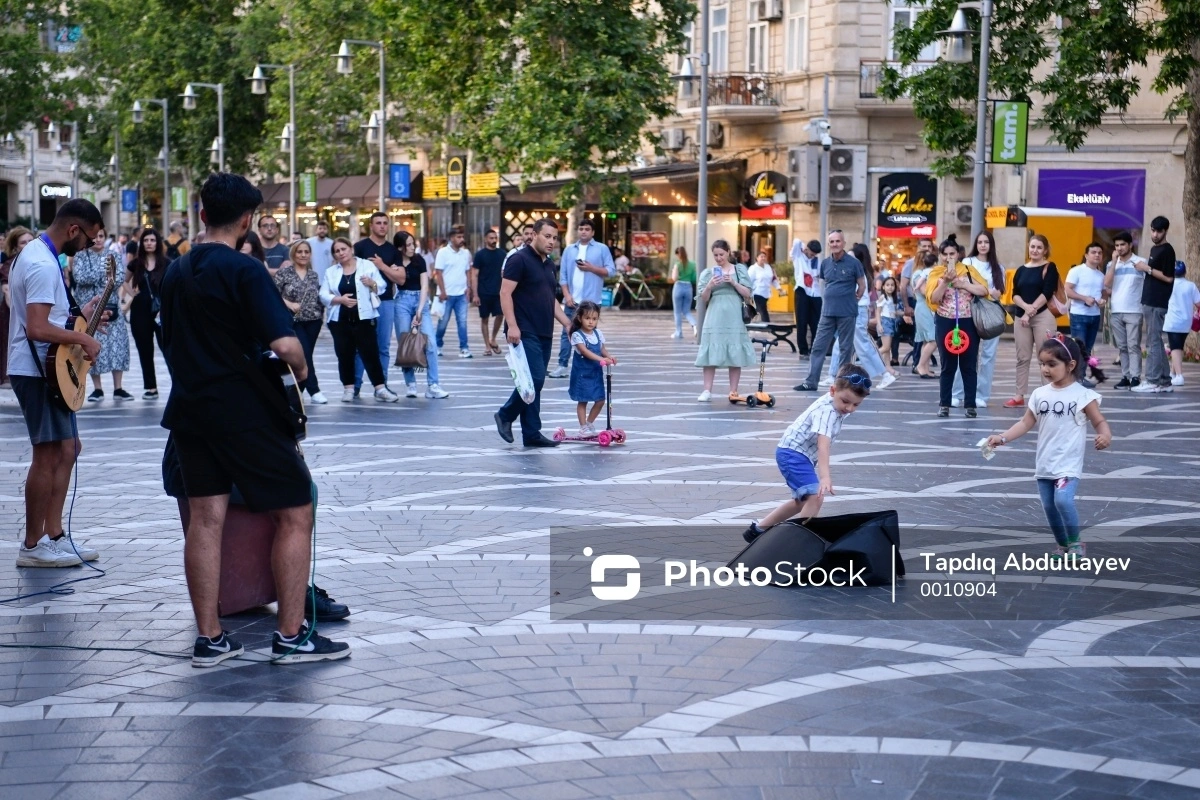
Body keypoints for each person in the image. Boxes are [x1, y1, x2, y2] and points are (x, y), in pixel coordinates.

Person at [159, 172, 349, 666]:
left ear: (202, 214)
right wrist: (303, 368)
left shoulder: (175, 272)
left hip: (190, 411)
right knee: (295, 511)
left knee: (205, 520)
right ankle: (290, 635)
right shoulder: (246, 272)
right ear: (247, 221)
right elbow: (285, 344)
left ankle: (211, 638)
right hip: (244, 412)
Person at [9, 201, 107, 568]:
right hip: (36, 370)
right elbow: (36, 327)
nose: (86, 246)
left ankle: (54, 535)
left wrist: (81, 319)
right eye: (89, 238)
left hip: (44, 367)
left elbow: (48, 317)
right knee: (48, 454)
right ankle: (33, 545)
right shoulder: (40, 262)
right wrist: (84, 340)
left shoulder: (40, 256)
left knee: (68, 448)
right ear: (73, 230)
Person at [986, 335, 1111, 558]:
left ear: (1071, 365)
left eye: (1052, 364)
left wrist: (1105, 434)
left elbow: (1098, 420)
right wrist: (1002, 437)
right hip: (1044, 463)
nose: (1045, 369)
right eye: (1042, 363)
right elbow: (1025, 422)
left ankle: (1076, 545)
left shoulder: (1082, 395)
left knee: (1062, 499)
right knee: (1049, 507)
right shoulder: (1039, 394)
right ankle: (1063, 546)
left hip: (1068, 464)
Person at [742, 364, 871, 543]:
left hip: (797, 454)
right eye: (846, 402)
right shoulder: (826, 412)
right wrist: (825, 478)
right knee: (815, 497)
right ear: (832, 390)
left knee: (804, 501)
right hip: (793, 454)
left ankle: (758, 530)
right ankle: (794, 542)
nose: (849, 408)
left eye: (856, 404)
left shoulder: (837, 399)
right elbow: (823, 446)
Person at [493, 218, 572, 447]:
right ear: (534, 234)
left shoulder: (548, 264)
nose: (551, 242)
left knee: (534, 383)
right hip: (524, 330)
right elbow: (505, 293)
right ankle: (505, 415)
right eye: (547, 236)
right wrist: (513, 325)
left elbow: (551, 299)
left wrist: (567, 324)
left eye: (555, 238)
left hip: (544, 330)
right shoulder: (518, 259)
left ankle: (531, 433)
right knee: (535, 379)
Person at [320, 238, 398, 403]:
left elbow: (382, 286)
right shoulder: (331, 271)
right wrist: (339, 299)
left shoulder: (366, 266)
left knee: (370, 353)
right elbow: (323, 294)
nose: (341, 253)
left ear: (351, 249)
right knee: (344, 354)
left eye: (344, 249)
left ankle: (380, 388)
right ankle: (348, 388)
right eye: (337, 251)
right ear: (334, 255)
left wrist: (372, 283)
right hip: (339, 319)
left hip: (364, 317)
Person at [793, 231, 866, 392]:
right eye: (831, 242)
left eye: (837, 241)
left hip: (847, 313)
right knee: (818, 347)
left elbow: (862, 285)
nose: (834, 244)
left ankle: (841, 384)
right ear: (829, 244)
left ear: (844, 243)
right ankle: (811, 382)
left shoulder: (854, 263)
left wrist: (854, 300)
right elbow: (822, 284)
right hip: (827, 313)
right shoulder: (825, 263)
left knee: (845, 349)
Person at [925, 235, 989, 417]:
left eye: (952, 253)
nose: (948, 257)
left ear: (958, 254)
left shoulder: (968, 271)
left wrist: (963, 284)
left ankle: (970, 405)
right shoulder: (936, 273)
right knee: (947, 365)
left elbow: (984, 291)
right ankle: (944, 404)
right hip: (945, 320)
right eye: (944, 254)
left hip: (968, 321)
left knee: (969, 364)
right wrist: (945, 282)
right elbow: (933, 299)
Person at [72, 228, 133, 402]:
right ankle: (97, 388)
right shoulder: (81, 255)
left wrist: (109, 277)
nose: (98, 240)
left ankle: (118, 387)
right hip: (89, 309)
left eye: (101, 236)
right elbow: (80, 277)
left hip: (110, 306)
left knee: (118, 346)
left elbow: (119, 278)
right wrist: (103, 273)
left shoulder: (112, 254)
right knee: (92, 344)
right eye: (95, 236)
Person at [694, 240, 756, 401]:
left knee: (735, 352)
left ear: (728, 252)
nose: (719, 258)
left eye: (721, 254)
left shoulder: (739, 270)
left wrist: (733, 282)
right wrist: (710, 285)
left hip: (734, 314)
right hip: (714, 314)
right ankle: (707, 390)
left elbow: (748, 293)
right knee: (710, 352)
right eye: (715, 255)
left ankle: (733, 391)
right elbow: (704, 298)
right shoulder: (708, 273)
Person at [551, 218, 615, 377]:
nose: (583, 232)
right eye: (581, 229)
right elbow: (563, 275)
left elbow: (611, 271)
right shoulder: (569, 250)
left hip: (592, 301)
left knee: (591, 333)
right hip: (572, 300)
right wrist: (566, 295)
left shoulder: (601, 249)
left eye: (587, 229)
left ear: (592, 232)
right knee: (568, 332)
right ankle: (562, 365)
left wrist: (591, 268)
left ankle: (592, 363)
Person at [827, 243, 896, 389]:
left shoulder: (857, 273)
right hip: (849, 311)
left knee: (863, 344)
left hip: (857, 311)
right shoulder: (854, 271)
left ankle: (885, 374)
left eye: (850, 256)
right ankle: (833, 375)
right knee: (841, 344)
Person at [391, 230, 448, 399]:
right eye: (408, 245)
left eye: (412, 243)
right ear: (400, 247)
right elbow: (393, 283)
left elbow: (425, 286)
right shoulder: (395, 261)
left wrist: (420, 309)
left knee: (430, 343)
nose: (411, 247)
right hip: (401, 301)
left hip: (420, 301)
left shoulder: (419, 260)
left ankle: (433, 385)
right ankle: (411, 384)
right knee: (405, 342)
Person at [1005, 234, 1060, 408]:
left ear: (1045, 250)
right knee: (1022, 357)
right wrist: (1025, 309)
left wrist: (1031, 311)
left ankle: (1048, 394)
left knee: (1046, 357)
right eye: (1032, 246)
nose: (1034, 250)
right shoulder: (1021, 269)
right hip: (1021, 316)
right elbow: (1014, 293)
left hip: (1043, 315)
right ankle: (1019, 395)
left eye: (1038, 247)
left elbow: (1047, 292)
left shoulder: (1049, 267)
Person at [953, 231, 1006, 407]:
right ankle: (958, 393)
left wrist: (980, 289)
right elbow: (961, 286)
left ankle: (982, 395)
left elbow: (998, 292)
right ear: (975, 244)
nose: (983, 245)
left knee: (988, 356)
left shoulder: (998, 267)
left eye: (986, 242)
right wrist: (983, 289)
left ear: (991, 245)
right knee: (965, 353)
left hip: (990, 314)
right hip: (968, 312)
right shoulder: (967, 262)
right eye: (980, 242)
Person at [274, 240, 327, 404]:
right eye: (300, 252)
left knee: (307, 355)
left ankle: (299, 390)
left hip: (314, 320)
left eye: (306, 252)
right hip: (293, 320)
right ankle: (314, 390)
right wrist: (289, 304)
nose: (303, 255)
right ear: (293, 254)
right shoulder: (284, 273)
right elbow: (273, 295)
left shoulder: (313, 275)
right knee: (303, 354)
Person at [354, 211, 400, 392]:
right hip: (362, 302)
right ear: (371, 226)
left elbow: (399, 278)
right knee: (360, 346)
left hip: (386, 300)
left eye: (385, 223)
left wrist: (383, 266)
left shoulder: (393, 251)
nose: (382, 226)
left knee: (383, 346)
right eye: (378, 223)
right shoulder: (359, 247)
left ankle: (382, 386)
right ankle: (356, 385)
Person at [1133, 216, 1177, 393]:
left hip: (1157, 301)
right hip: (1149, 299)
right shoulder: (1154, 248)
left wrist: (1147, 268)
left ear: (1165, 231)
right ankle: (1165, 381)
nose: (1155, 234)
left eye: (1158, 231)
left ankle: (1152, 380)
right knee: (1155, 340)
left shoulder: (1167, 250)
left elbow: (1168, 277)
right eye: (1152, 230)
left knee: (1153, 342)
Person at [125, 227, 169, 399]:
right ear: (141, 243)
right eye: (146, 240)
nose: (149, 243)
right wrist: (132, 293)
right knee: (145, 349)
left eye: (152, 240)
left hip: (161, 312)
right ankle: (150, 387)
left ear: (157, 243)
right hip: (140, 310)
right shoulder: (136, 263)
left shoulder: (167, 263)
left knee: (167, 347)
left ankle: (177, 382)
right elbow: (124, 280)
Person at [1103, 230, 1146, 389]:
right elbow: (1107, 284)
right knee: (1122, 347)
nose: (1119, 248)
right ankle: (1125, 376)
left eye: (1122, 245)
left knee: (1133, 345)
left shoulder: (1140, 262)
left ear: (1130, 245)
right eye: (1117, 245)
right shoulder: (1111, 264)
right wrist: (1114, 262)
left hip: (1134, 310)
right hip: (1116, 310)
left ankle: (1135, 377)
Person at [568, 301, 616, 437]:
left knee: (600, 400)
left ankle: (589, 423)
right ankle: (583, 427)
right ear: (580, 318)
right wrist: (601, 359)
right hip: (582, 374)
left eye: (594, 319)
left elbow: (602, 349)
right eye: (587, 318)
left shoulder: (597, 334)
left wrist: (610, 357)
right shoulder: (577, 335)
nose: (591, 322)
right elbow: (585, 352)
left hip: (595, 373)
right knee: (582, 400)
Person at [1064, 242, 1108, 388]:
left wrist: (1102, 301)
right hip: (1079, 314)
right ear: (1086, 255)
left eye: (1099, 253)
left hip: (1094, 315)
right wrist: (1084, 298)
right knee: (1078, 348)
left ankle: (1080, 377)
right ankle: (1075, 378)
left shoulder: (1101, 275)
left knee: (1087, 349)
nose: (1097, 255)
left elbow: (1103, 293)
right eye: (1093, 252)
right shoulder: (1077, 271)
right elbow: (1068, 290)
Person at [434, 224, 474, 359]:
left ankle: (464, 348)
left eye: (462, 236)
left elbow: (468, 271)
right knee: (443, 322)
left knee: (462, 322)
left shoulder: (466, 253)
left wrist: (469, 288)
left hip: (461, 294)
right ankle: (437, 345)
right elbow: (438, 273)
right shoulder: (443, 252)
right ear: (451, 238)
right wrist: (443, 292)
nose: (461, 239)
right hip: (446, 295)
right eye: (458, 237)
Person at [1, 226, 35, 386]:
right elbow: (7, 289)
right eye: (23, 242)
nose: (28, 245)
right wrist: (20, 314)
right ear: (16, 246)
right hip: (14, 311)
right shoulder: (11, 263)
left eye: (30, 241)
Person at [1164, 261, 1200, 387]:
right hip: (1186, 321)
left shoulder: (1167, 284)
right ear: (1185, 272)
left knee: (1175, 348)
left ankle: (1179, 375)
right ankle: (1173, 373)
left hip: (1172, 320)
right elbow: (1198, 303)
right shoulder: (1191, 286)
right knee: (1178, 346)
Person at [471, 228, 506, 355]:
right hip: (484, 292)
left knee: (500, 315)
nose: (493, 240)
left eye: (495, 238)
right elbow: (474, 275)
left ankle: (493, 339)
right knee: (484, 319)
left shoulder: (502, 254)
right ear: (486, 239)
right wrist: (475, 294)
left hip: (498, 292)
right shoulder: (480, 255)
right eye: (491, 238)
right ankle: (487, 346)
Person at [792, 239, 823, 357]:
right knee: (802, 322)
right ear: (807, 249)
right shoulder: (798, 257)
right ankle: (803, 349)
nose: (813, 255)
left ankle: (814, 348)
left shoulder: (817, 261)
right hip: (802, 290)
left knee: (816, 323)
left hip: (815, 292)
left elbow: (820, 275)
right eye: (811, 253)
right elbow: (796, 242)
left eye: (815, 254)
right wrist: (804, 246)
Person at [669, 246, 698, 339]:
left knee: (677, 312)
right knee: (686, 311)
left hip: (678, 287)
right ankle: (695, 325)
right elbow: (694, 278)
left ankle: (679, 332)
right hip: (688, 287)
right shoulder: (693, 264)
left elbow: (674, 278)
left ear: (678, 254)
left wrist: (674, 270)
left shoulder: (677, 264)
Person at [876, 276, 902, 370]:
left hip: (892, 322)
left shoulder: (892, 298)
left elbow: (894, 312)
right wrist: (879, 324)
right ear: (883, 287)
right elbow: (878, 312)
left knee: (887, 348)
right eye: (887, 285)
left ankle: (888, 367)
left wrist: (905, 314)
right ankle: (870, 358)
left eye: (892, 285)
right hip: (885, 322)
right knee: (886, 347)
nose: (890, 287)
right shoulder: (883, 297)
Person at [747, 251, 779, 323]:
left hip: (766, 293)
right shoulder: (753, 268)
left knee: (759, 309)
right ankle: (766, 323)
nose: (763, 258)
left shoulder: (768, 267)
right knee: (763, 310)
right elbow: (748, 280)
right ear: (757, 258)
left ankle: (749, 319)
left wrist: (778, 287)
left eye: (764, 256)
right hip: (757, 292)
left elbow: (773, 279)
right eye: (761, 256)